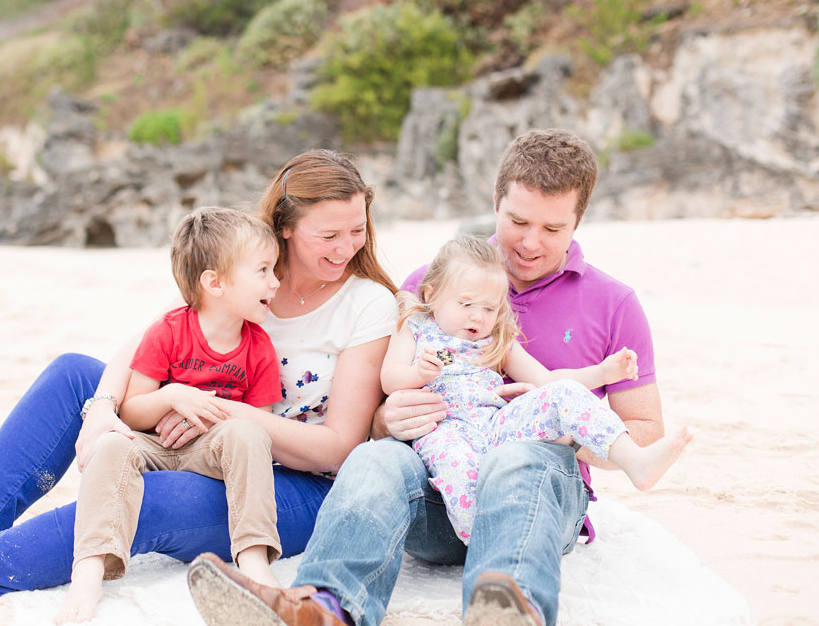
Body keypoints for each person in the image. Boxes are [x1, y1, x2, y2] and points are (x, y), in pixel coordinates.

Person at [0, 150, 398, 623]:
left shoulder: (366, 303)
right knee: (74, 373)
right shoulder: (250, 274)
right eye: (330, 233)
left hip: (291, 486)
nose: (348, 246)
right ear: (285, 227)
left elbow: (339, 447)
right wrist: (106, 409)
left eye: (358, 230)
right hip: (196, 436)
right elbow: (149, 341)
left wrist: (215, 411)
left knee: (146, 501)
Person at [186, 128, 675, 626]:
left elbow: (644, 433)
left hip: (539, 502)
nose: (530, 243)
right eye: (517, 221)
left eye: (552, 229)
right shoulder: (428, 285)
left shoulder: (615, 304)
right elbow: (373, 405)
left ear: (580, 220)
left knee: (519, 457)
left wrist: (550, 421)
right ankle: (324, 607)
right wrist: (387, 418)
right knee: (376, 457)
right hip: (440, 492)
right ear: (495, 202)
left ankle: (508, 608)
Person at [380, 234, 690, 546]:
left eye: (489, 308)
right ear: (432, 294)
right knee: (459, 473)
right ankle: (481, 540)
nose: (478, 316)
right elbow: (389, 379)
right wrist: (417, 373)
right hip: (444, 428)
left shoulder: (496, 339)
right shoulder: (416, 327)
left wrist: (603, 372)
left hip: (493, 426)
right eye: (466, 304)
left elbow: (546, 380)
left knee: (563, 394)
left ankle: (634, 460)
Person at [57, 207, 287, 624]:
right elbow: (133, 410)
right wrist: (174, 396)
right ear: (214, 283)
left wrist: (212, 419)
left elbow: (260, 422)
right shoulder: (168, 330)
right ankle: (88, 568)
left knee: (248, 435)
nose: (276, 281)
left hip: (212, 451)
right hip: (156, 443)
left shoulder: (259, 347)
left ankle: (254, 558)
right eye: (264, 270)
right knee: (111, 444)